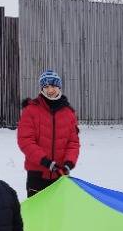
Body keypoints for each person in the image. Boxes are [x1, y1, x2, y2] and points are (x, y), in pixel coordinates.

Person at [16, 69, 81, 197]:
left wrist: (68, 164)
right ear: (42, 88)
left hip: (60, 174)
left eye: (54, 86)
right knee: (36, 214)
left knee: (58, 214)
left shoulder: (69, 113)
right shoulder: (30, 110)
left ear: (59, 87)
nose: (50, 90)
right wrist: (46, 162)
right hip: (37, 174)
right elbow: (26, 141)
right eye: (46, 86)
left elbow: (73, 143)